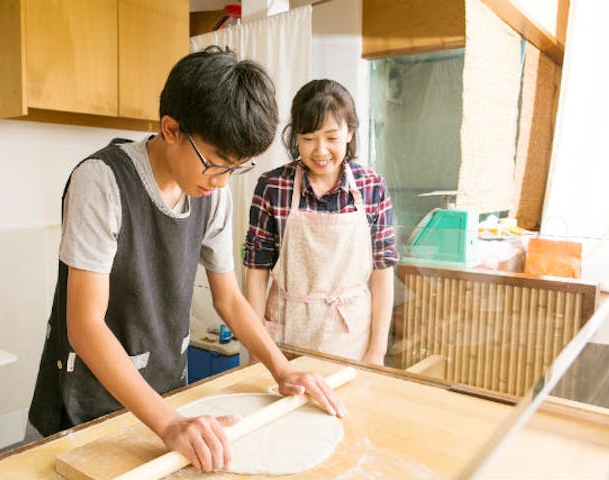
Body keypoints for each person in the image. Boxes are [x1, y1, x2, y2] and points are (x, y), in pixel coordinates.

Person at [27, 47, 346, 473]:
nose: (221, 182)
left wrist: (282, 368)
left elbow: (229, 299)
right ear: (172, 129)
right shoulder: (102, 182)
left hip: (165, 402)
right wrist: (171, 423)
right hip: (85, 407)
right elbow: (84, 326)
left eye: (236, 168)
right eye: (215, 165)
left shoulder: (211, 194)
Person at [244, 79, 399, 365]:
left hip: (352, 339)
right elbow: (256, 271)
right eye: (309, 138)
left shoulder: (371, 186)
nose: (320, 150)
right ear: (295, 137)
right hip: (285, 338)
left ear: (350, 133)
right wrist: (257, 351)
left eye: (331, 137)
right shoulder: (272, 186)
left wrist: (376, 351)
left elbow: (382, 272)